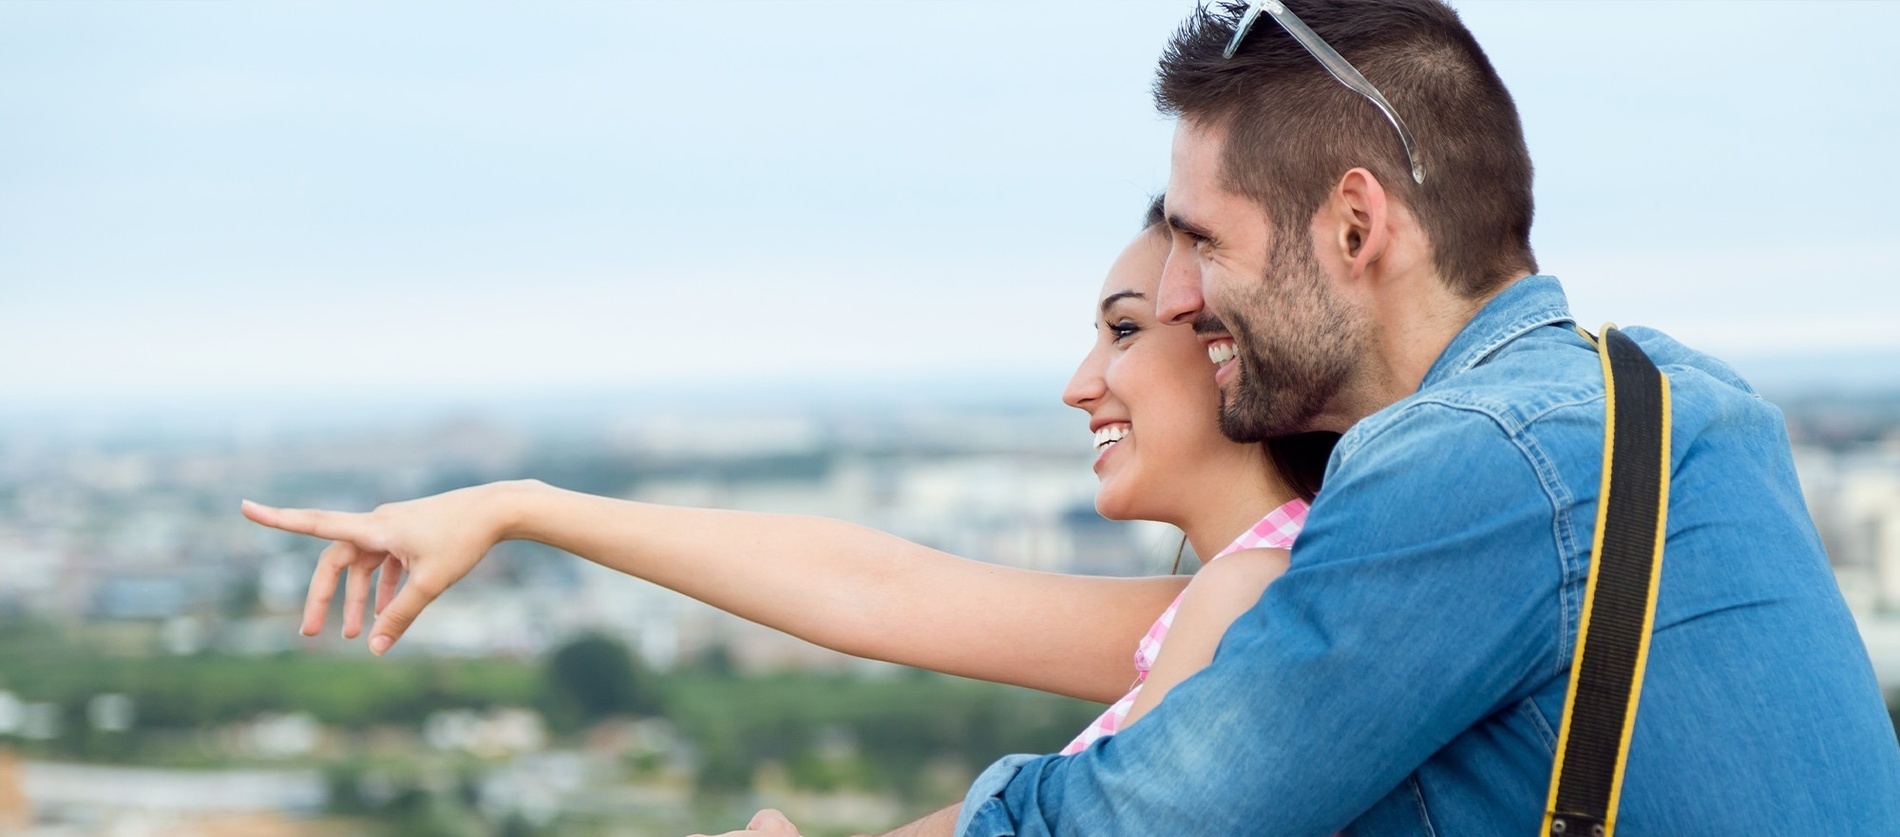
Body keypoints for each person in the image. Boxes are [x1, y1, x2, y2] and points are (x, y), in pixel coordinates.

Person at [941, 2, 1900, 836]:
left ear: (1356, 226)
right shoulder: (1676, 393)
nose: (1182, 297)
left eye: (1204, 242)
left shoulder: (1472, 462)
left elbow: (1147, 815)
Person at [241, 202, 1337, 834]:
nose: (1081, 381)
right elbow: (882, 587)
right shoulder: (1232, 597)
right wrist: (520, 506)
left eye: (1123, 329)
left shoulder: (1257, 594)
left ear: (1228, 339)